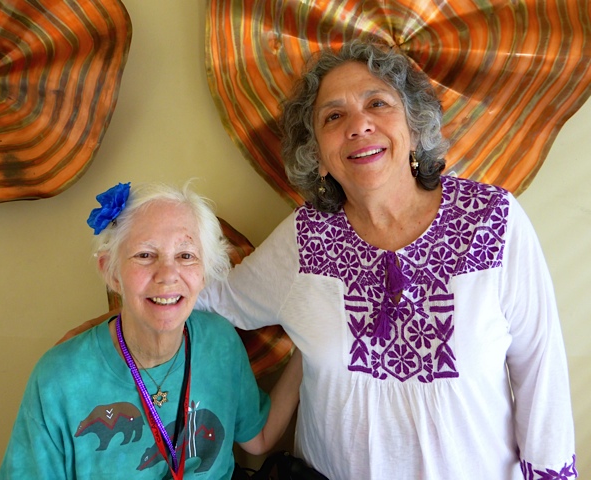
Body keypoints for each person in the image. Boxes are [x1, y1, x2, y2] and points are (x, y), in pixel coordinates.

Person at [61, 40, 577, 479]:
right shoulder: (305, 239)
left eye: (377, 103)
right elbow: (215, 299)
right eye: (334, 116)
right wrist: (125, 295)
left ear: (415, 125)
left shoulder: (492, 220)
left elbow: (540, 370)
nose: (359, 125)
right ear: (318, 154)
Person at [0, 182, 302, 480]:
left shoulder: (220, 342)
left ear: (204, 273)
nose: (167, 275)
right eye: (145, 255)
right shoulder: (59, 379)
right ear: (111, 272)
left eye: (186, 256)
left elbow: (259, 438)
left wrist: (311, 352)